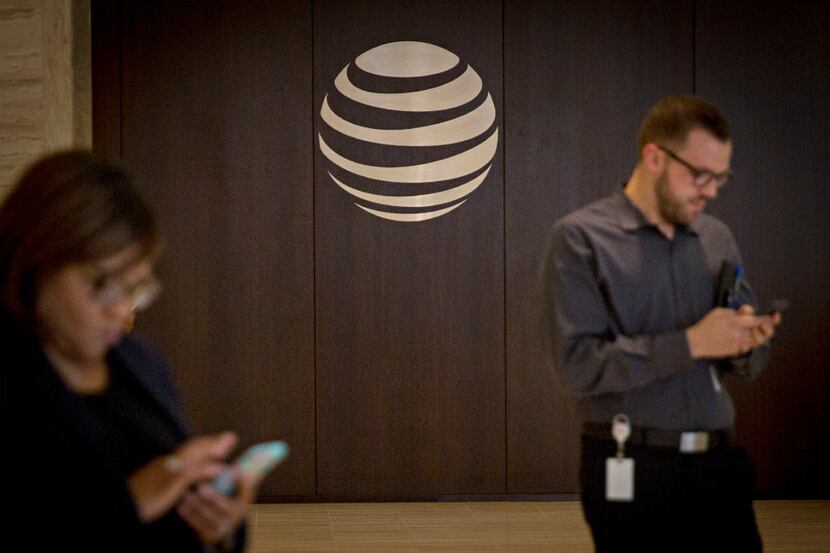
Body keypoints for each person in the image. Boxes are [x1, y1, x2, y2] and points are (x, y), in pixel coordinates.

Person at [539, 95, 781, 551]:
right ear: (654, 157)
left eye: (721, 178)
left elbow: (744, 359)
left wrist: (747, 341)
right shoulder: (581, 240)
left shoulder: (716, 238)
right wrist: (691, 342)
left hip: (720, 464)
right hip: (632, 467)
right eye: (701, 175)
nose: (711, 191)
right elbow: (576, 366)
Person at [0, 151, 265, 552]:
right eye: (103, 285)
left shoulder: (140, 363)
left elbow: (180, 506)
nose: (122, 311)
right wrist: (134, 498)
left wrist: (218, 528)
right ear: (36, 263)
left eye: (135, 288)